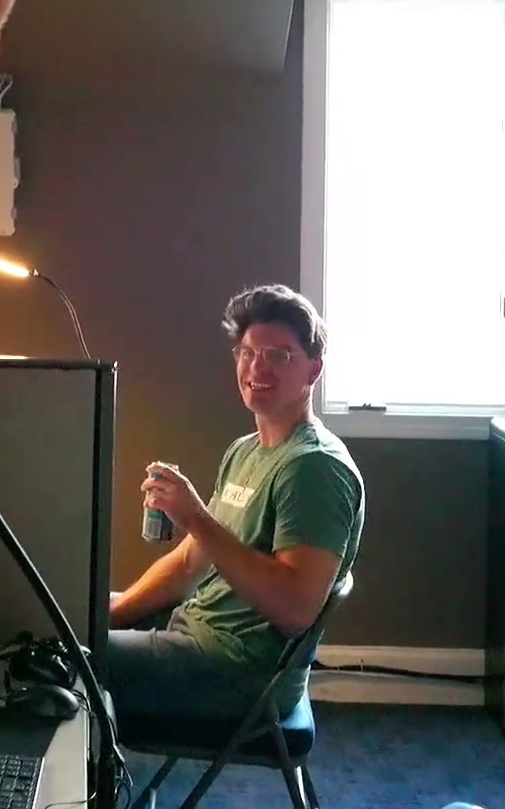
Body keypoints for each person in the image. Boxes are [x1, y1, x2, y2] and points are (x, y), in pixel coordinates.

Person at [108, 284, 365, 721]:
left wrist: (196, 517)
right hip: (195, 633)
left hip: (238, 676)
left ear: (313, 370)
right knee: (58, 623)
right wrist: (110, 613)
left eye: (279, 355)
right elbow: (188, 564)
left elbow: (295, 610)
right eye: (247, 353)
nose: (257, 367)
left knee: (52, 655)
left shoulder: (314, 468)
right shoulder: (244, 451)